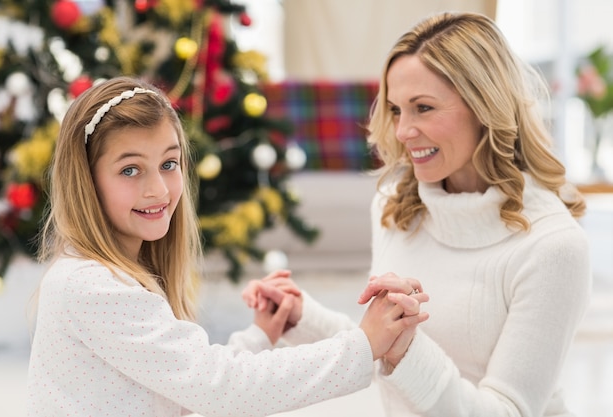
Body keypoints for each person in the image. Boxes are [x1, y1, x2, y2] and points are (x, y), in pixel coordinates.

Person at [243, 11, 592, 417]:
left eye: (423, 108)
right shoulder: (395, 206)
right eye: (395, 109)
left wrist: (408, 345)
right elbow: (386, 350)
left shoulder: (552, 247)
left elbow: (505, 411)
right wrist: (304, 317)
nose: (403, 131)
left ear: (485, 106)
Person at [26, 76, 430, 417]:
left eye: (168, 164)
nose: (158, 189)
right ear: (86, 182)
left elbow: (182, 384)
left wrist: (258, 336)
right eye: (130, 169)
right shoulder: (93, 287)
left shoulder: (105, 276)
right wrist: (361, 345)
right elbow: (220, 387)